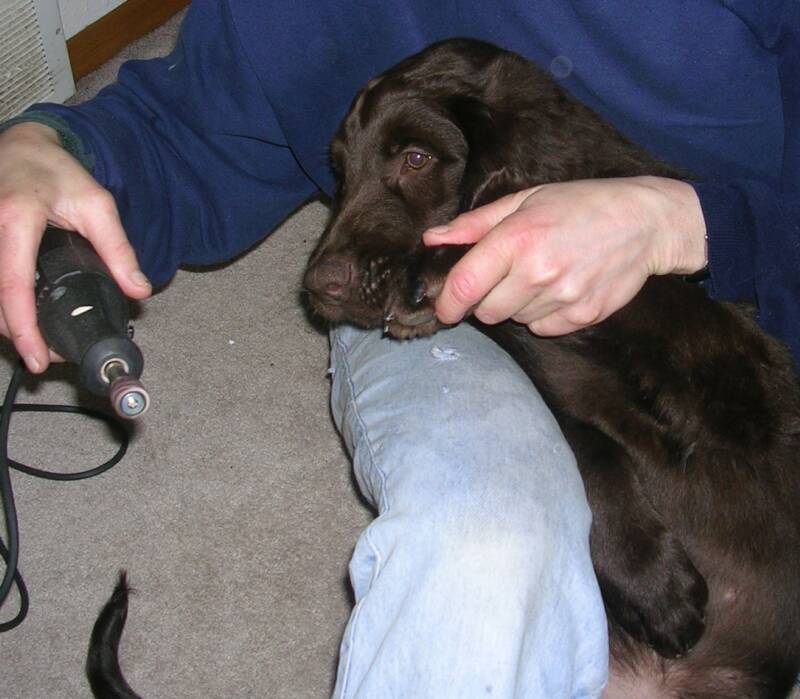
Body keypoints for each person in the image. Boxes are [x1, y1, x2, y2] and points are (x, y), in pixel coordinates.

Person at [0, 2, 797, 696]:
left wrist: (685, 223)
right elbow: (183, 135)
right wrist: (47, 144)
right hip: (440, 290)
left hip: (739, 284)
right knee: (477, 544)